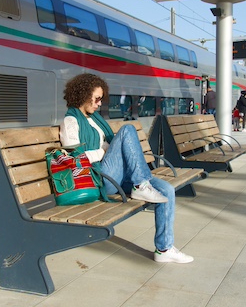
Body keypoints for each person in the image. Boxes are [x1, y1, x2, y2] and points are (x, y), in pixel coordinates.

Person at [59, 73, 193, 264]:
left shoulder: (95, 119)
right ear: (83, 95)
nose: (99, 104)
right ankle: (141, 185)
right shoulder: (70, 121)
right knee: (128, 130)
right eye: (97, 99)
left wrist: (109, 150)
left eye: (100, 100)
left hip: (116, 174)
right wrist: (105, 151)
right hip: (99, 179)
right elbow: (75, 158)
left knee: (167, 190)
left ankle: (164, 249)